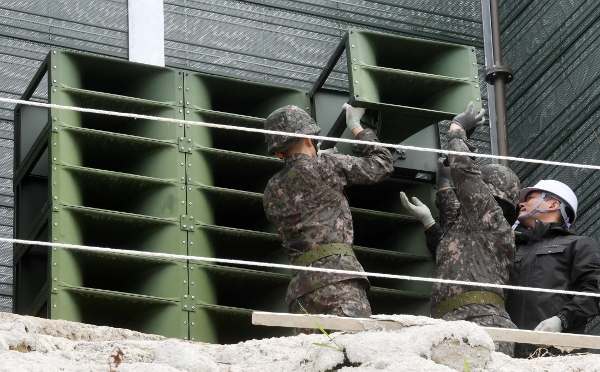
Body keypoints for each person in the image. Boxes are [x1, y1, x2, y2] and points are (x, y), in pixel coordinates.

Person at [400, 102, 521, 357]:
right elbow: (453, 218)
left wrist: (457, 132)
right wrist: (444, 185)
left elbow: (465, 173)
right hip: (455, 326)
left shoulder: (489, 217)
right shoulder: (476, 223)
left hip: (482, 325)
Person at [262, 104, 394, 334]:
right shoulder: (327, 166)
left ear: (278, 152)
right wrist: (356, 126)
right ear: (308, 137)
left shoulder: (271, 189)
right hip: (338, 282)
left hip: (300, 293)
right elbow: (382, 163)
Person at [505, 180, 600, 358]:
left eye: (530, 198)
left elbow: (594, 291)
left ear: (553, 204)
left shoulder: (578, 245)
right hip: (506, 355)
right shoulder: (512, 247)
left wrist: (562, 320)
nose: (521, 203)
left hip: (556, 355)